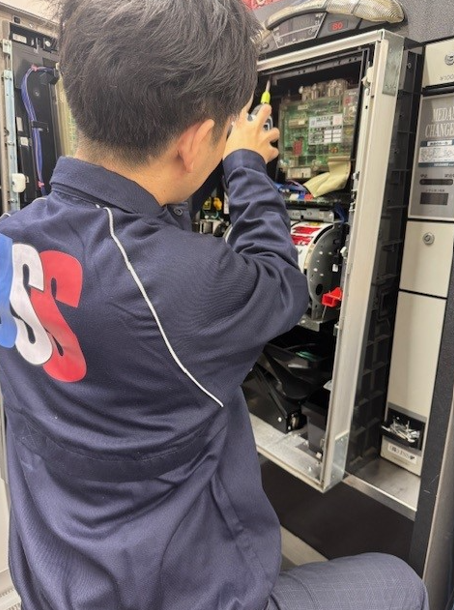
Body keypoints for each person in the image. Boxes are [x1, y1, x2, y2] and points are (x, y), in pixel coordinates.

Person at [0, 1, 429, 609]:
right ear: (198, 140)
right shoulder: (183, 284)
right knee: (402, 584)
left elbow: (135, 236)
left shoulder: (11, 235)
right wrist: (245, 165)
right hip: (171, 596)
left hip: (58, 579)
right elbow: (282, 283)